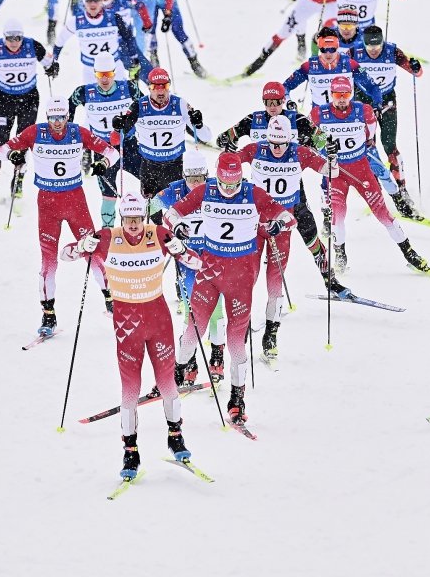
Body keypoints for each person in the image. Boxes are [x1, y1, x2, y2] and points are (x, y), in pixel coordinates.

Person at [64, 193, 200, 480]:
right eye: (128, 219)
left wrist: (181, 249)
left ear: (144, 218)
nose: (134, 225)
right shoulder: (106, 238)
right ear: (121, 219)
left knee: (168, 384)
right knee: (130, 390)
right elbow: (66, 255)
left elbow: (196, 263)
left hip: (159, 322)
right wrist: (82, 246)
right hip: (127, 326)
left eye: (138, 219)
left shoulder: (159, 234)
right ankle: (130, 450)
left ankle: (175, 436)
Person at [163, 153, 297, 426]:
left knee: (236, 340)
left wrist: (278, 224)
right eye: (224, 183)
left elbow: (288, 217)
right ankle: (176, 373)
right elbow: (171, 213)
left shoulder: (252, 192)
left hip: (241, 279)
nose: (228, 190)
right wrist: (178, 225)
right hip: (209, 272)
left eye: (234, 184)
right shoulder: (206, 190)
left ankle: (237, 398)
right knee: (194, 328)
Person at [0, 98, 120, 336]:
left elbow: (112, 152)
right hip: (48, 205)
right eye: (52, 118)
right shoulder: (35, 132)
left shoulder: (77, 132)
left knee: (93, 251)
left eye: (61, 117)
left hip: (75, 202)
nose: (57, 123)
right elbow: (1, 151)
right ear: (47, 117)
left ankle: (111, 299)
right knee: (48, 262)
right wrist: (13, 156)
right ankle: (48, 315)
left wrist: (103, 164)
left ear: (67, 117)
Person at [238, 115, 348, 356]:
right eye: (273, 143)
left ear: (289, 140)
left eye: (282, 144)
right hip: (254, 226)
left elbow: (332, 172)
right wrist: (237, 179)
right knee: (247, 279)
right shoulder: (255, 149)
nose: (277, 149)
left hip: (283, 226)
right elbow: (228, 163)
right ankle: (241, 324)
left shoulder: (300, 152)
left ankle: (271, 332)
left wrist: (332, 156)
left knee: (274, 282)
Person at [310, 75, 428, 274]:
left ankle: (409, 252)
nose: (342, 99)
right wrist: (323, 148)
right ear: (331, 94)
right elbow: (310, 139)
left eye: (346, 94)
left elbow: (370, 137)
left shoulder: (363, 110)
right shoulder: (319, 113)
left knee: (383, 214)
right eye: (338, 95)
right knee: (337, 216)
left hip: (361, 170)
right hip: (337, 173)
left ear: (351, 94)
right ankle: (340, 254)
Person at [150, 151, 228, 382]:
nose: (195, 184)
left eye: (200, 178)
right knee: (191, 311)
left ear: (207, 175)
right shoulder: (175, 191)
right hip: (187, 260)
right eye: (191, 179)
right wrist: (166, 230)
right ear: (184, 176)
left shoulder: (217, 188)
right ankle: (190, 360)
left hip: (214, 257)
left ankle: (217, 358)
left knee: (216, 310)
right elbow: (150, 207)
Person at [0, 19, 48, 205]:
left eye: (17, 38)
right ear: (4, 37)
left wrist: (52, 68)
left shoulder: (32, 46)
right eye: (9, 38)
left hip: (29, 100)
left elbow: (50, 61)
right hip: (5, 100)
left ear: (22, 37)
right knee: (0, 143)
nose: (14, 42)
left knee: (23, 142)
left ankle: (17, 181)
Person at [353, 24, 423, 215]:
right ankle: (375, 190)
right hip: (363, 104)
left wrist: (415, 67)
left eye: (377, 46)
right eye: (370, 46)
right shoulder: (355, 52)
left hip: (387, 102)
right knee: (369, 147)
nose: (374, 50)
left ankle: (402, 188)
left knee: (389, 145)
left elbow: (417, 73)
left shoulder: (392, 51)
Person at [112, 67, 210, 201]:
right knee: (152, 210)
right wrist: (117, 128)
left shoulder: (180, 104)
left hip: (175, 167)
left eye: (165, 86)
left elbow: (206, 137)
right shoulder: (139, 106)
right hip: (149, 169)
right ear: (149, 87)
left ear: (169, 86)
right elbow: (115, 140)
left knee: (177, 210)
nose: (160, 91)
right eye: (155, 87)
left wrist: (199, 125)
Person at [67, 52, 139, 227]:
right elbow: (68, 107)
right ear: (95, 74)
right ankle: (107, 232)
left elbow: (145, 107)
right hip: (102, 149)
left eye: (108, 74)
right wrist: (70, 133)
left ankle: (153, 225)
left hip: (128, 145)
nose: (105, 79)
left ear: (114, 72)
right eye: (100, 75)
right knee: (108, 195)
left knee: (149, 183)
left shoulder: (129, 88)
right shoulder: (84, 92)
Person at [50, 0, 146, 88]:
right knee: (92, 98)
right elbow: (61, 40)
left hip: (114, 68)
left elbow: (128, 38)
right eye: (89, 1)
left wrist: (134, 59)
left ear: (102, 0)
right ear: (84, 2)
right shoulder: (76, 21)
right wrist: (53, 60)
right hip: (90, 70)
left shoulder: (115, 18)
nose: (93, 4)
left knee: (121, 96)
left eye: (96, 0)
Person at [281, 28, 382, 110]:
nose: (328, 54)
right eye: (324, 49)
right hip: (320, 120)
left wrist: (377, 104)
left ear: (337, 47)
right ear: (319, 48)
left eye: (332, 49)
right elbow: (284, 87)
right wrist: (288, 101)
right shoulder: (309, 67)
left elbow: (372, 86)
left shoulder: (350, 64)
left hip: (347, 119)